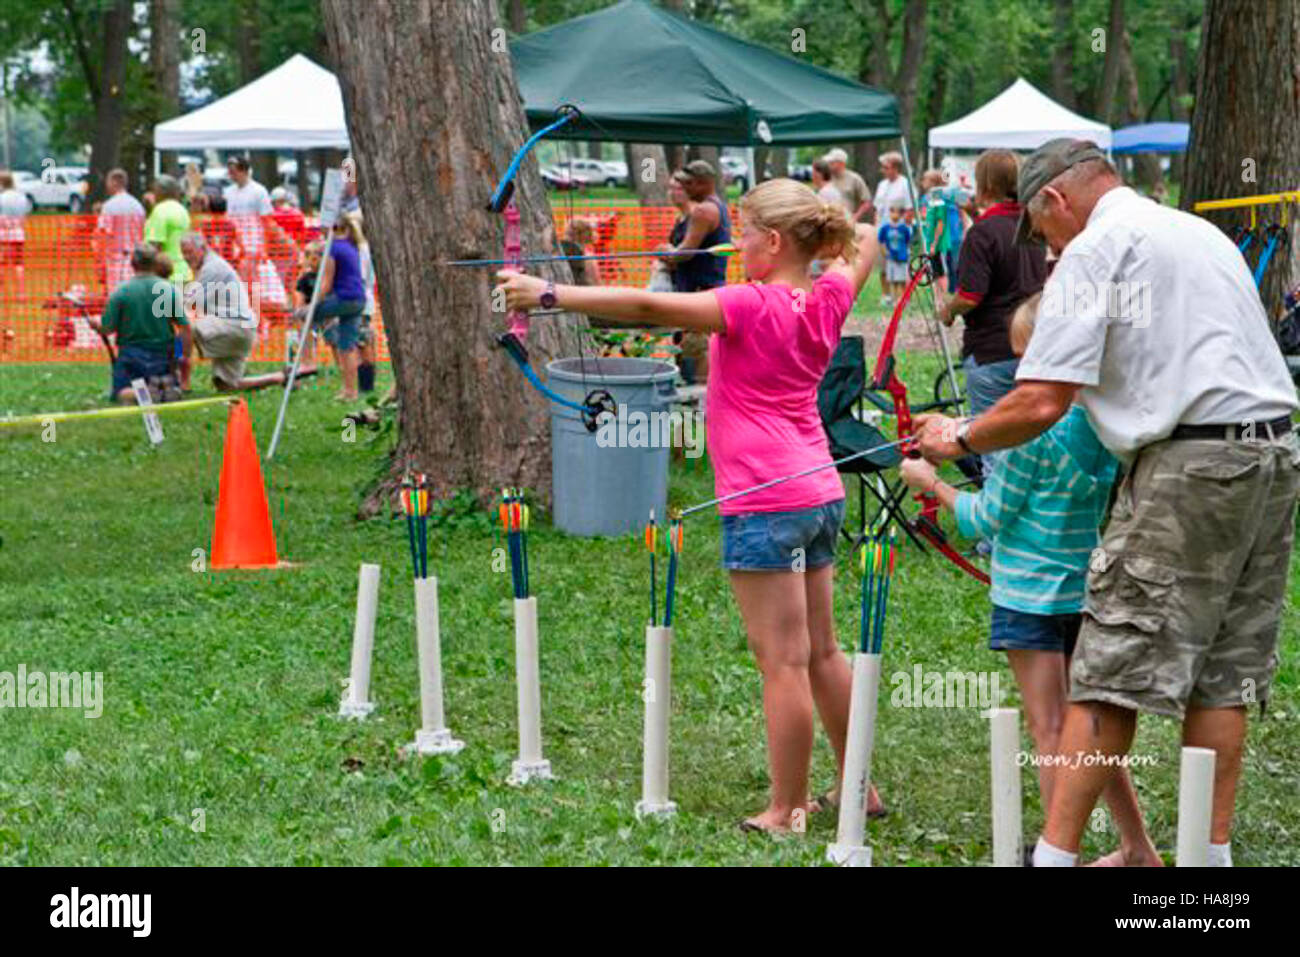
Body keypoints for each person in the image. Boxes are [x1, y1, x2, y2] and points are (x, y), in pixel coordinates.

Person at [915, 138, 1300, 868]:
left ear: (1055, 200)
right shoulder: (1195, 230)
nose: (1047, 248)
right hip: (1275, 455)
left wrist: (957, 436)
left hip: (1191, 464)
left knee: (1105, 672)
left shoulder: (1097, 248)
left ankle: (1053, 860)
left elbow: (1040, 399)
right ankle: (1205, 864)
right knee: (1224, 674)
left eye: (1041, 229)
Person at [497, 178, 883, 833]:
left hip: (767, 499)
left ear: (772, 240)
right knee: (822, 651)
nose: (736, 247)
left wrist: (549, 294)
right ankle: (859, 788)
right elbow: (866, 241)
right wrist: (833, 237)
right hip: (819, 489)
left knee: (783, 661)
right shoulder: (826, 296)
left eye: (746, 233)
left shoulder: (747, 302)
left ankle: (785, 808)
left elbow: (648, 306)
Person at [901, 292, 1161, 867]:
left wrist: (932, 484)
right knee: (1093, 728)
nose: (1021, 370)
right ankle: (1137, 851)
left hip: (1028, 600)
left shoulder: (1025, 438)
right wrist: (961, 430)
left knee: (1050, 730)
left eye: (1028, 356)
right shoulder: (1102, 425)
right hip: (1082, 594)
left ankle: (1056, 854)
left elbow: (983, 519)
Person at [937, 149, 1047, 428]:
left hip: (992, 351)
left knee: (992, 445)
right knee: (1029, 444)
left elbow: (970, 296)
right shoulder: (1034, 225)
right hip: (1032, 347)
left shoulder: (983, 233)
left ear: (984, 185)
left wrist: (948, 310)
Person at [179, 231, 314, 392]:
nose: (186, 257)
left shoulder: (212, 268)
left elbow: (190, 303)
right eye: (184, 253)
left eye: (190, 252)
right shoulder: (208, 265)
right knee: (227, 385)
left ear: (202, 248)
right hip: (239, 328)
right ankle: (281, 377)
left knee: (183, 330)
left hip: (233, 327)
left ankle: (181, 382)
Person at [86, 242, 190, 404]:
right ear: (155, 263)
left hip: (131, 355)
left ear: (132, 264)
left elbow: (107, 329)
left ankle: (145, 393)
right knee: (164, 379)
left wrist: (95, 325)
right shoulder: (169, 290)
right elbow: (183, 327)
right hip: (163, 355)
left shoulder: (121, 292)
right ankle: (163, 389)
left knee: (121, 393)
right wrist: (180, 355)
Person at [659, 160, 732, 385]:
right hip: (706, 287)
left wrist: (665, 253)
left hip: (701, 288)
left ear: (704, 184)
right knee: (695, 342)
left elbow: (686, 253)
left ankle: (702, 393)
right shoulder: (716, 205)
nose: (685, 189)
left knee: (697, 345)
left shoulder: (703, 210)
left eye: (688, 184)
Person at [315, 212, 369, 401]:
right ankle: (350, 392)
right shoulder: (352, 246)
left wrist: (310, 307)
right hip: (359, 300)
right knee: (347, 346)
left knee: (304, 316)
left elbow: (326, 285)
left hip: (343, 299)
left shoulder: (333, 248)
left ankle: (306, 361)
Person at [222, 155, 273, 287]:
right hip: (234, 244)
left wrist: (266, 247)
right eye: (230, 172)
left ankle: (254, 305)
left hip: (253, 243)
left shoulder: (259, 191)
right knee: (237, 278)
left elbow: (267, 219)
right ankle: (242, 304)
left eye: (234, 172)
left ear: (244, 171)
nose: (231, 175)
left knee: (251, 278)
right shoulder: (228, 192)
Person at [95, 168, 145, 295]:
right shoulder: (138, 206)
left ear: (114, 183)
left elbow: (103, 236)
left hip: (115, 262)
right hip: (135, 262)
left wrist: (100, 262)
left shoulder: (109, 207)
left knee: (117, 301)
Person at [144, 174, 191, 285]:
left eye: (154, 190)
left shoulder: (160, 211)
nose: (153, 195)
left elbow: (153, 246)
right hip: (185, 272)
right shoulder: (182, 210)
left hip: (167, 275)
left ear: (160, 191)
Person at [0, 171, 30, 305]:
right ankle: (21, 292)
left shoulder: (2, 198)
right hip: (18, 234)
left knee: (2, 264)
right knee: (19, 264)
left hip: (3, 234)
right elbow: (25, 214)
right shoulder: (21, 197)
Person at [876, 204, 912, 308]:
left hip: (902, 258)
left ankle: (902, 299)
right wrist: (884, 252)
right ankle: (894, 298)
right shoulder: (885, 228)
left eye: (897, 212)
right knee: (893, 279)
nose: (894, 215)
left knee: (901, 279)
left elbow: (907, 241)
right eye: (892, 212)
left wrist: (907, 252)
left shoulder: (904, 228)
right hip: (891, 258)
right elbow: (881, 241)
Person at [823, 148, 871, 222]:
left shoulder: (855, 179)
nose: (828, 164)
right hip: (831, 223)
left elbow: (866, 202)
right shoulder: (826, 179)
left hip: (849, 222)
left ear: (841, 164)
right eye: (828, 162)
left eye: (832, 162)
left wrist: (856, 216)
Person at [871, 151, 913, 226]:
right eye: (883, 168)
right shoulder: (882, 185)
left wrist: (902, 229)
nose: (883, 171)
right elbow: (877, 209)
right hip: (882, 228)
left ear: (896, 168)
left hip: (899, 228)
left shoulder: (905, 184)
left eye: (886, 168)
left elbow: (909, 210)